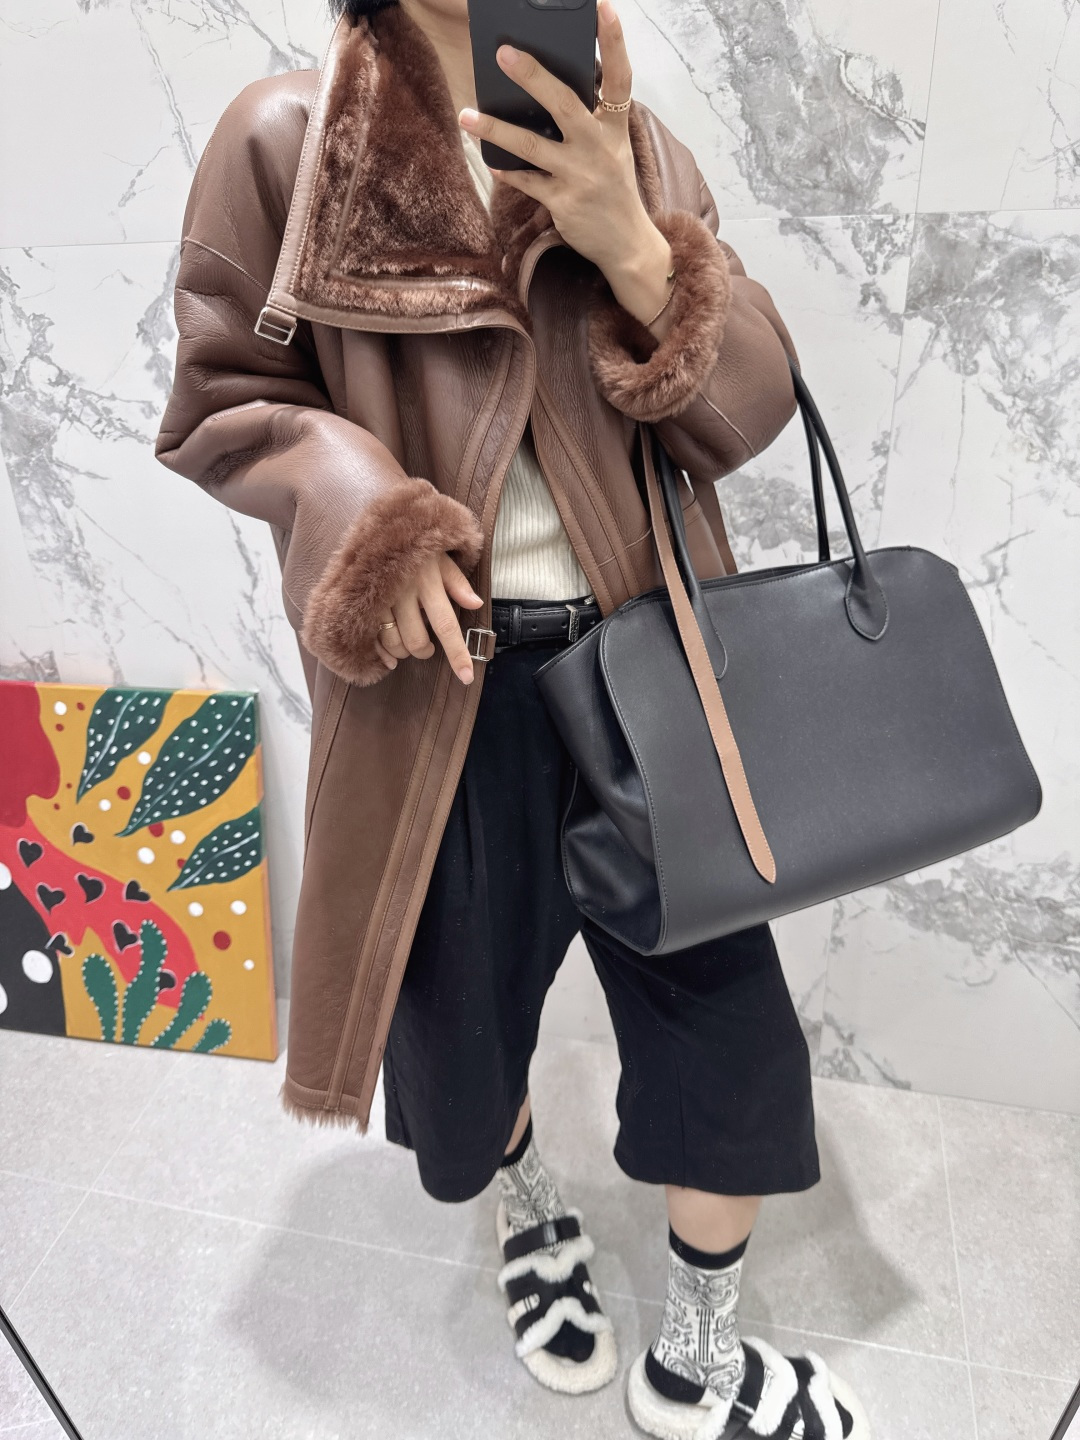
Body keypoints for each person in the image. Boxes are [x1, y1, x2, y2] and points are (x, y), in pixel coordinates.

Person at [157, 0, 870, 1433]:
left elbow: (745, 415)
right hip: (440, 692)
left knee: (729, 1033)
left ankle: (701, 1358)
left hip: (650, 675)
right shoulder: (289, 138)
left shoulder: (632, 144)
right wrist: (369, 515)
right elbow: (224, 400)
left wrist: (631, 240)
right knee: (464, 1033)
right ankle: (532, 1211)